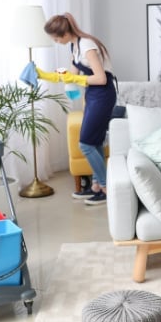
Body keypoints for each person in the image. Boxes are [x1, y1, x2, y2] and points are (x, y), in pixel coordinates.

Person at [36, 13, 116, 206]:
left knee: (86, 144)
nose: (55, 42)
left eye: (56, 38)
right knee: (94, 141)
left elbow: (101, 78)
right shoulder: (75, 45)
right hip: (93, 94)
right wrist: (44, 74)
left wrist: (77, 80)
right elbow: (70, 74)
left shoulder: (87, 45)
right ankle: (96, 186)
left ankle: (106, 188)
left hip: (103, 94)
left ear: (64, 33)